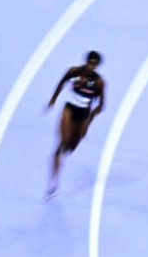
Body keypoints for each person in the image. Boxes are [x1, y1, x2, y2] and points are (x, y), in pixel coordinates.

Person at [44, 51, 105, 199]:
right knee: (62, 145)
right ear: (86, 61)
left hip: (83, 115)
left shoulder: (98, 82)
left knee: (70, 148)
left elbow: (101, 105)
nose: (91, 66)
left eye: (94, 65)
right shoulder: (73, 71)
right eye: (89, 63)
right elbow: (61, 83)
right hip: (69, 110)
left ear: (97, 66)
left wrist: (88, 122)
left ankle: (60, 156)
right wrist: (52, 100)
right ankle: (53, 185)